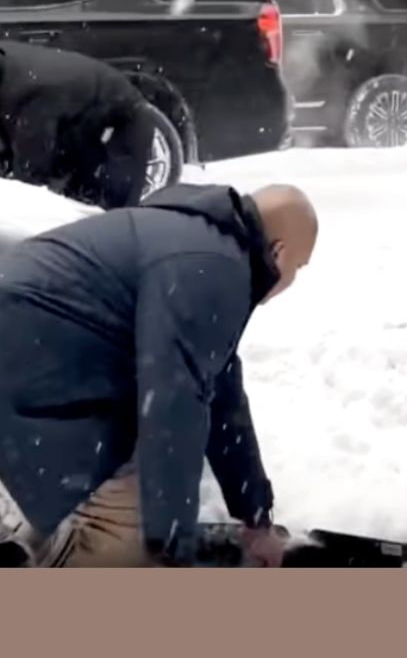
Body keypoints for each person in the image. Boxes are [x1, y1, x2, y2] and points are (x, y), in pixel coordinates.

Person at [0, 183, 317, 567]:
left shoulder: (197, 241)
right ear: (279, 253)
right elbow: (174, 405)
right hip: (31, 378)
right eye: (299, 267)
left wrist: (255, 516)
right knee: (127, 517)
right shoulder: (211, 265)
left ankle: (33, 542)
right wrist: (169, 550)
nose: (292, 279)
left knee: (117, 447)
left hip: (33, 365)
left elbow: (221, 393)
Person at [0, 42, 157, 210]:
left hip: (126, 117)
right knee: (74, 191)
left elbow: (31, 168)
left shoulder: (34, 91)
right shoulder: (9, 66)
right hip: (81, 114)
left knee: (115, 206)